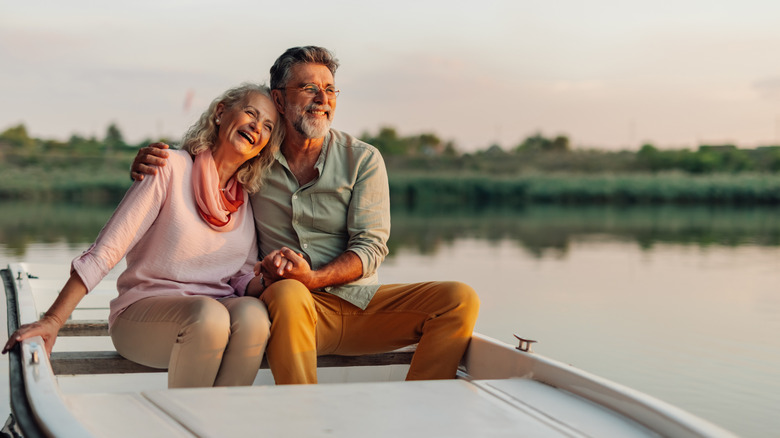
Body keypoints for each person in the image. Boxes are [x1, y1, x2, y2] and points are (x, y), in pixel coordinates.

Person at [130, 46, 480, 384]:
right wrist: (155, 160)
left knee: (458, 299)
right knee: (287, 291)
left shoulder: (363, 159)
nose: (322, 99)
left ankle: (423, 412)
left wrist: (314, 277)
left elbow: (371, 248)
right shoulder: (255, 155)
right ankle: (304, 417)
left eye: (329, 90)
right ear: (279, 99)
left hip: (359, 305)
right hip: (287, 307)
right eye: (309, 88)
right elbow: (209, 159)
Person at [3, 83, 284, 389]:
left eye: (268, 126)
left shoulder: (245, 200)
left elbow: (242, 279)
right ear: (220, 113)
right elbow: (106, 251)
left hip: (214, 310)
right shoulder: (168, 167)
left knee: (254, 315)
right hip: (144, 315)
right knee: (211, 317)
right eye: (250, 113)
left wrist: (270, 276)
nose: (257, 127)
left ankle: (219, 424)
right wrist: (54, 320)